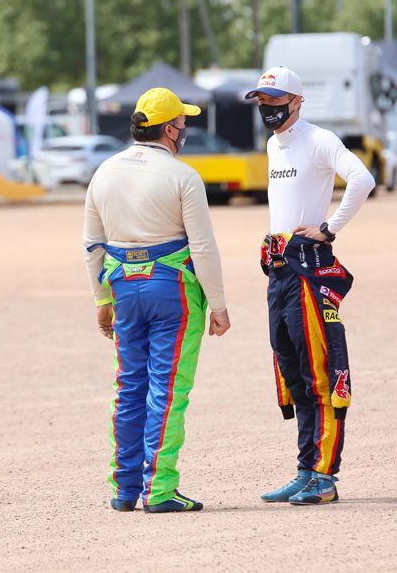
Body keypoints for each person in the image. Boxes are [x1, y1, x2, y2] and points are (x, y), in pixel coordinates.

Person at [83, 87, 231, 514]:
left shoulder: (104, 171)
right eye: (182, 123)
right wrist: (218, 304)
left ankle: (125, 488)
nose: (184, 130)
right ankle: (160, 488)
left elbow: (92, 244)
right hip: (173, 288)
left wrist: (100, 297)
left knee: (129, 386)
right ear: (169, 130)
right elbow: (202, 246)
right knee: (168, 390)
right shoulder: (182, 176)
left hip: (124, 286)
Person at [245, 66, 375, 506]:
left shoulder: (319, 139)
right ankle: (306, 469)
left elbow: (362, 179)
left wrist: (329, 227)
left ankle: (324, 476)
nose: (269, 109)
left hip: (308, 268)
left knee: (321, 374)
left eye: (276, 101)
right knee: (293, 374)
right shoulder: (272, 146)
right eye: (263, 101)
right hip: (279, 269)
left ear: (297, 101)